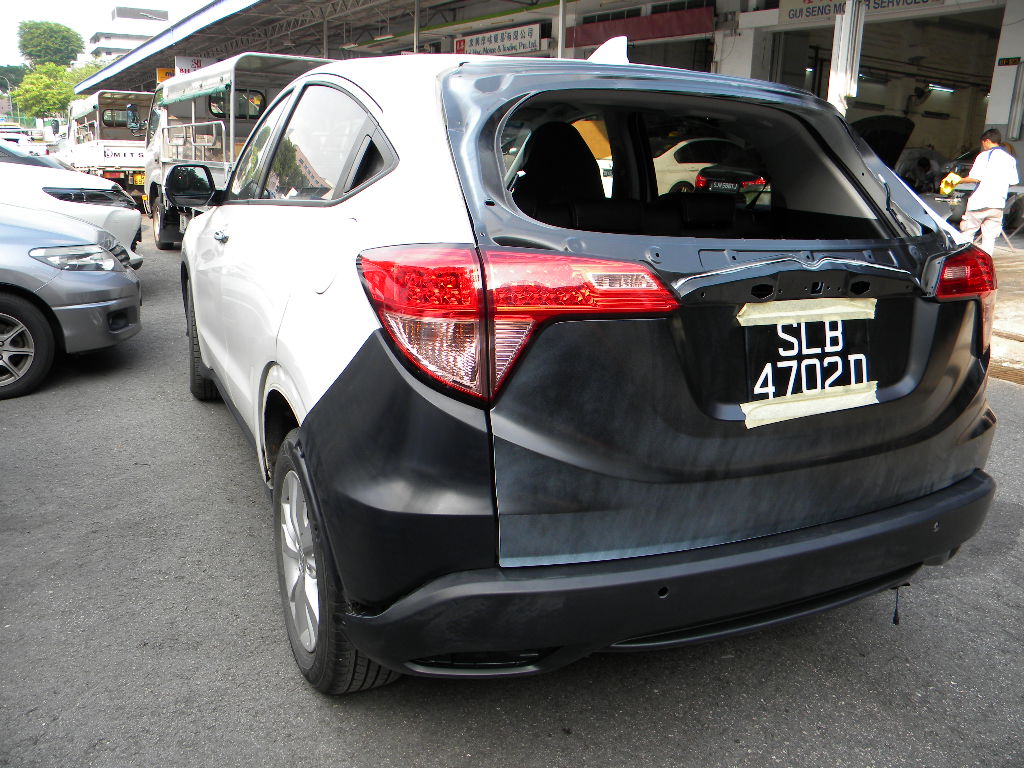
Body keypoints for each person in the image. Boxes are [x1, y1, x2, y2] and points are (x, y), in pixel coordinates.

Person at [944, 128, 1020, 254]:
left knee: (968, 233)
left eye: (983, 143)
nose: (983, 146)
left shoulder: (984, 156)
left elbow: (975, 178)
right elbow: (1013, 181)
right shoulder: (1010, 159)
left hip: (980, 202)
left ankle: (965, 259)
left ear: (987, 141)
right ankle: (986, 262)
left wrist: (957, 180)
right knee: (989, 238)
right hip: (998, 204)